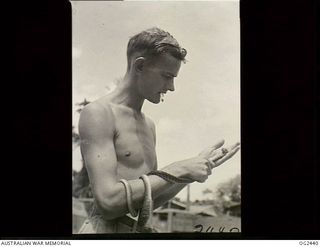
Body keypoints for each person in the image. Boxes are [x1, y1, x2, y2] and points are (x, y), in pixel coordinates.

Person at [77, 27, 240, 233]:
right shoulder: (99, 113)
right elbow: (108, 203)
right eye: (166, 76)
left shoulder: (148, 125)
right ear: (140, 66)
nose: (171, 87)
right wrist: (177, 169)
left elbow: (148, 201)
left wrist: (190, 173)